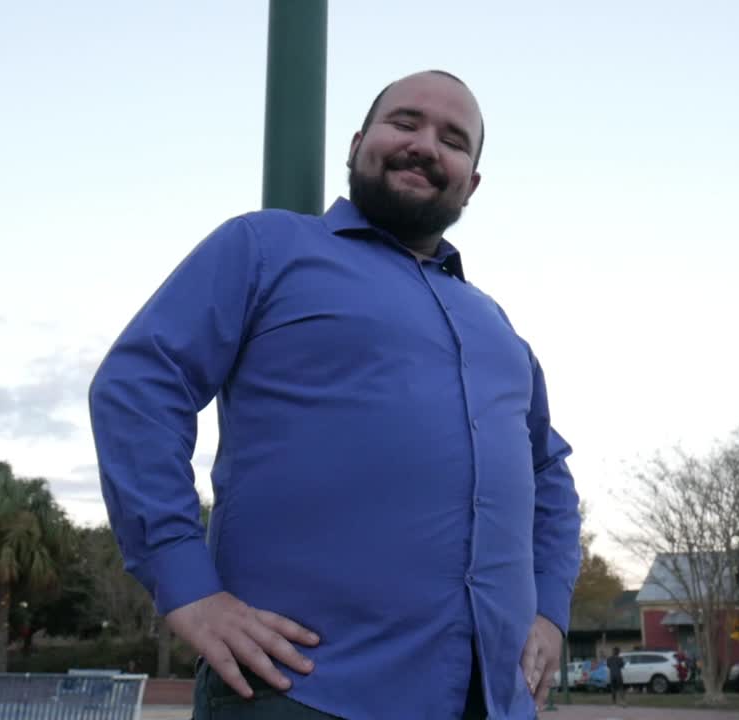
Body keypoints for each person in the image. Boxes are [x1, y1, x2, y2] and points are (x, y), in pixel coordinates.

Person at [89, 69, 582, 720]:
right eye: (404, 123)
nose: (427, 145)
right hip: (302, 691)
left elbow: (548, 473)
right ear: (356, 144)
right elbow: (138, 386)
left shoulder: (497, 325)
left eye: (453, 139)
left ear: (472, 181)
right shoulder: (264, 248)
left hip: (491, 701)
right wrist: (185, 585)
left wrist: (549, 609)